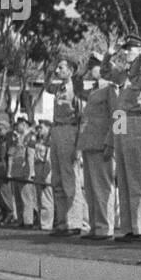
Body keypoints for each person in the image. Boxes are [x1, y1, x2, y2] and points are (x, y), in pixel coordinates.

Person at [109, 43, 141, 243]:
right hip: (122, 124)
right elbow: (119, 108)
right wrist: (115, 139)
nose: (126, 53)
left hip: (138, 123)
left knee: (139, 179)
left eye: (131, 50)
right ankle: (129, 227)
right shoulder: (123, 76)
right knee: (125, 180)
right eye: (125, 49)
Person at [78, 54, 118, 240]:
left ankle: (104, 227)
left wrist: (113, 142)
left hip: (102, 143)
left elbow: (117, 115)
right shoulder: (93, 89)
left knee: (102, 187)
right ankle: (95, 226)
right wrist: (82, 71)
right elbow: (77, 88)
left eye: (94, 65)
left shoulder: (110, 88)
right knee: (91, 187)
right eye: (91, 65)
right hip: (89, 143)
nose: (92, 68)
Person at [48, 57, 87, 237]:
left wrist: (78, 146)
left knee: (69, 178)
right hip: (56, 131)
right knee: (57, 179)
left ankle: (74, 222)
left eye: (61, 67)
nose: (58, 70)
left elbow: (81, 118)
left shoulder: (75, 90)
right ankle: (62, 222)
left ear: (71, 70)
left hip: (69, 131)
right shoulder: (58, 89)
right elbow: (47, 87)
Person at [8, 116, 36, 228]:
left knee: (26, 197)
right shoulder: (17, 137)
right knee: (18, 197)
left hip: (25, 170)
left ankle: (28, 221)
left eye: (18, 124)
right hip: (17, 169)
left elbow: (30, 156)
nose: (16, 126)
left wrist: (30, 172)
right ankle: (21, 220)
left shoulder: (30, 137)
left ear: (24, 124)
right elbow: (12, 153)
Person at [32, 120, 54, 231]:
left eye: (41, 127)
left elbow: (48, 159)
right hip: (38, 168)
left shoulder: (50, 141)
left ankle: (47, 224)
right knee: (39, 198)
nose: (39, 130)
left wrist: (45, 175)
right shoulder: (39, 140)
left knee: (46, 198)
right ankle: (42, 221)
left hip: (45, 169)